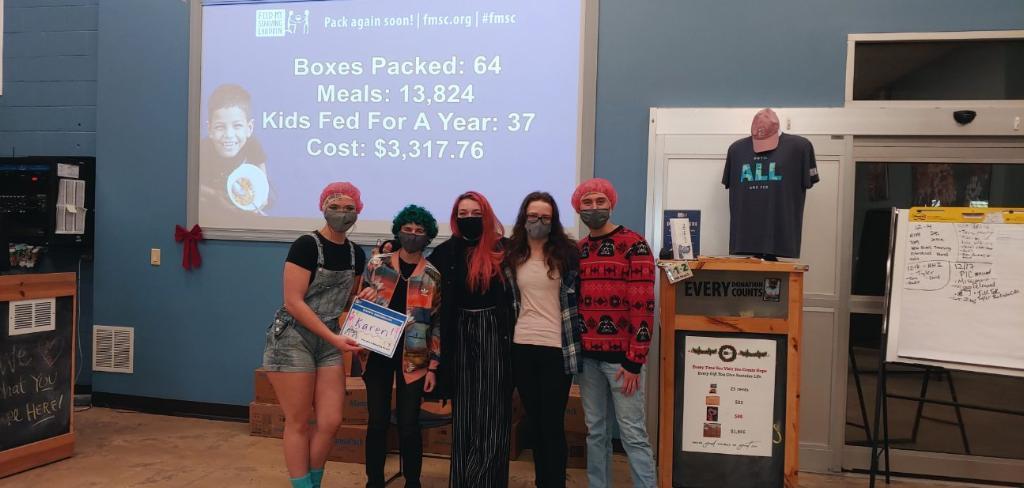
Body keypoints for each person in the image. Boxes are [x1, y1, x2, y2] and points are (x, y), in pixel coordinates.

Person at [262, 182, 367, 488]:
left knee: (331, 420)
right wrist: (334, 338)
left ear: (358, 211)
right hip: (293, 338)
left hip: (329, 337)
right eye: (335, 207)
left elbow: (345, 301)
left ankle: (313, 482)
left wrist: (365, 299)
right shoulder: (306, 246)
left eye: (349, 208)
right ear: (323, 207)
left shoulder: (356, 254)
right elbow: (293, 302)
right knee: (298, 421)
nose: (341, 213)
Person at [427, 191, 517, 488]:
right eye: (462, 214)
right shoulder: (444, 253)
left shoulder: (505, 250)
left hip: (494, 332)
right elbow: (423, 289)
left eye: (476, 213)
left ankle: (487, 481)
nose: (469, 219)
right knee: (465, 412)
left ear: (487, 215)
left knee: (493, 412)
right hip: (459, 334)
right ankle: (463, 481)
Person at [572, 178, 657, 488]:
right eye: (587, 202)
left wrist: (635, 359)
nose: (594, 207)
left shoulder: (634, 244)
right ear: (578, 208)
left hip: (623, 362)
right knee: (595, 431)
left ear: (611, 204)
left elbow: (644, 305)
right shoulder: (579, 250)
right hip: (588, 360)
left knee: (633, 433)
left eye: (600, 201)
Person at [356, 205, 443, 488]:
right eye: (407, 229)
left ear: (428, 236)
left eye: (419, 231)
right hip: (376, 352)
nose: (412, 235)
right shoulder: (377, 264)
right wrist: (364, 297)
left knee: (408, 425)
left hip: (415, 357)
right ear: (398, 231)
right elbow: (358, 302)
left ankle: (413, 482)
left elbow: (437, 323)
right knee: (377, 422)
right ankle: (374, 481)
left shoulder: (433, 275)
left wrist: (434, 365)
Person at [505, 192, 583, 488]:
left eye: (545, 217)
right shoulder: (512, 254)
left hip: (556, 348)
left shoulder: (567, 254)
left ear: (554, 221)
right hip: (522, 345)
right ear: (523, 218)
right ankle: (542, 481)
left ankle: (555, 482)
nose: (538, 221)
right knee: (534, 422)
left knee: (552, 423)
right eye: (533, 216)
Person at [199, 83, 273, 214]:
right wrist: (215, 195)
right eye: (220, 127)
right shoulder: (203, 150)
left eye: (237, 126)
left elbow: (261, 172)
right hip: (212, 199)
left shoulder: (252, 144)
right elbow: (194, 186)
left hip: (243, 196)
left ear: (249, 128)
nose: (229, 135)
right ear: (210, 129)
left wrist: (262, 195)